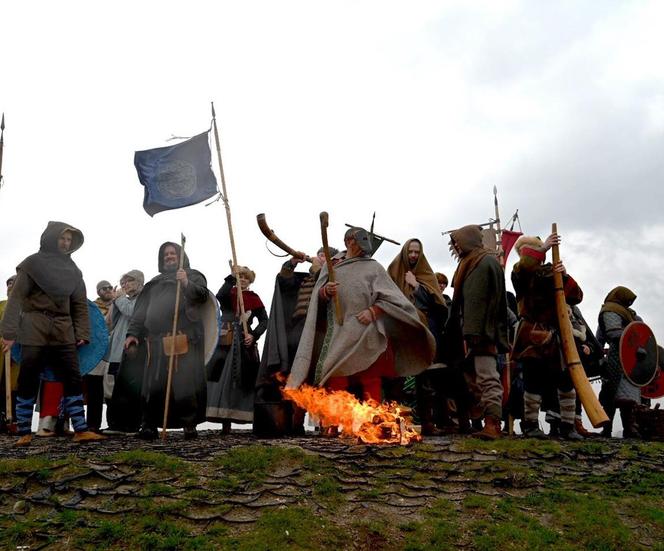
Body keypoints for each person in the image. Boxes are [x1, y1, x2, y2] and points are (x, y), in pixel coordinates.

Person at [287, 227, 435, 410]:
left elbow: (393, 299)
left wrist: (373, 311)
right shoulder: (332, 266)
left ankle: (371, 420)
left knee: (370, 377)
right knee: (336, 376)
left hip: (367, 332)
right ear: (349, 242)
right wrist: (326, 292)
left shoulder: (374, 267)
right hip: (340, 332)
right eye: (359, 242)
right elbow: (318, 299)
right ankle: (336, 421)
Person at [0, 221, 104, 445]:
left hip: (64, 329)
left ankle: (81, 429)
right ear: (51, 238)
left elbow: (79, 305)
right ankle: (24, 432)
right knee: (28, 376)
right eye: (62, 238)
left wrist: (83, 332)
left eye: (69, 240)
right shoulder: (32, 264)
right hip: (34, 326)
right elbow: (16, 298)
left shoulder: (74, 270)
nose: (66, 243)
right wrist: (8, 332)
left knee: (72, 376)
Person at [125, 242, 209, 440]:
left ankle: (189, 424)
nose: (169, 256)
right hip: (155, 341)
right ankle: (149, 425)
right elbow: (140, 312)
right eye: (166, 254)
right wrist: (132, 334)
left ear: (181, 256)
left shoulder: (194, 275)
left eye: (173, 253)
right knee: (154, 385)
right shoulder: (153, 283)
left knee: (184, 384)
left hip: (182, 337)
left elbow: (203, 297)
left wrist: (186, 282)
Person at [511, 233, 583, 440]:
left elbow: (576, 296)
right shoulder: (520, 273)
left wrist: (565, 276)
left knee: (565, 381)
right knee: (533, 380)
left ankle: (568, 426)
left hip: (557, 334)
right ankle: (531, 425)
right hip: (532, 333)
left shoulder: (552, 271)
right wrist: (543, 248)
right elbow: (524, 267)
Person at [254, 250, 332, 436]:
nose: (318, 258)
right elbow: (285, 282)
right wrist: (291, 263)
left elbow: (324, 287)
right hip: (298, 334)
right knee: (294, 378)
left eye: (323, 256)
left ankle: (327, 425)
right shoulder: (305, 280)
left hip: (320, 334)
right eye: (318, 255)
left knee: (316, 381)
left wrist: (317, 267)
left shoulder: (330, 276)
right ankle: (293, 423)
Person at [446, 224, 509, 440]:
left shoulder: (483, 262)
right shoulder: (471, 262)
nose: (456, 246)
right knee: (476, 380)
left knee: (487, 377)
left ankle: (493, 424)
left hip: (482, 332)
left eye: (458, 241)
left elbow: (482, 300)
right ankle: (487, 422)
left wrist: (475, 331)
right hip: (472, 331)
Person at [388, 239, 449, 435]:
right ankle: (394, 423)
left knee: (425, 379)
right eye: (411, 251)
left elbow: (438, 305)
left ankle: (427, 423)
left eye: (417, 252)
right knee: (397, 379)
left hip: (423, 331)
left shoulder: (426, 274)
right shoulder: (393, 271)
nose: (414, 255)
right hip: (401, 331)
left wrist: (417, 286)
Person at [207, 266, 268, 433]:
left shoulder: (254, 298)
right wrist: (230, 277)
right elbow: (219, 295)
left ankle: (245, 417)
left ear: (250, 281)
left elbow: (264, 320)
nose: (242, 280)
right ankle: (224, 424)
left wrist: (254, 335)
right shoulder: (229, 294)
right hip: (224, 344)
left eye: (245, 278)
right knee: (220, 381)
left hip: (243, 345)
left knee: (243, 381)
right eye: (240, 277)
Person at [597, 286, 643, 438]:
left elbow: (643, 336)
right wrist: (600, 358)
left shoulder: (633, 317)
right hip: (615, 359)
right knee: (610, 396)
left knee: (629, 400)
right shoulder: (610, 311)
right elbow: (607, 335)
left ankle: (630, 429)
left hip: (633, 361)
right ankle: (607, 429)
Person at [105, 270, 144, 433]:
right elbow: (110, 322)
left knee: (129, 389)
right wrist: (115, 302)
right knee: (113, 390)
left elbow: (132, 312)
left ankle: (131, 424)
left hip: (130, 353)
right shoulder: (123, 301)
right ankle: (115, 424)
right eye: (123, 283)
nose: (125, 285)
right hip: (116, 352)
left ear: (139, 282)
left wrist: (119, 299)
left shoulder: (142, 299)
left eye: (128, 281)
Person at [83, 280, 114, 432]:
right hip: (94, 355)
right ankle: (92, 425)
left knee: (111, 391)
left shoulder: (119, 305)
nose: (108, 290)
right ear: (98, 292)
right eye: (104, 288)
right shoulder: (92, 308)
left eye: (109, 287)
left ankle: (113, 423)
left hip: (112, 353)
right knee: (94, 392)